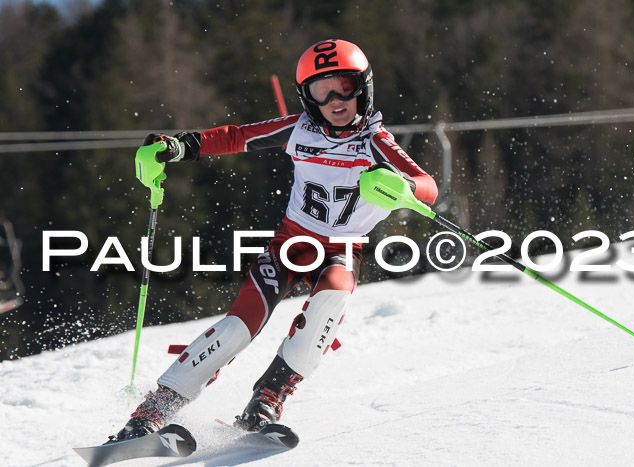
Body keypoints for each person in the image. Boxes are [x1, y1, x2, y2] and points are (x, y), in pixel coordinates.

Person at [109, 39, 438, 442]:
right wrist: (178, 147)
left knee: (329, 306)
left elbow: (427, 187)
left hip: (341, 248)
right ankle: (152, 412)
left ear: (363, 89)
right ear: (308, 97)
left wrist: (402, 186)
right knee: (238, 327)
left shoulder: (375, 142)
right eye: (322, 90)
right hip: (291, 242)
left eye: (344, 87)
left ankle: (266, 400)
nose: (335, 99)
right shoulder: (299, 129)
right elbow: (235, 136)